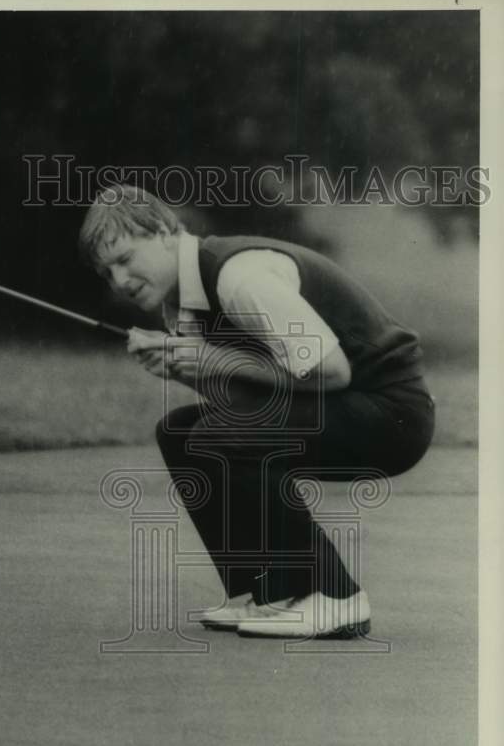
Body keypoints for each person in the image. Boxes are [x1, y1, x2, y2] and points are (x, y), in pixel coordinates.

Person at [78, 184, 435, 638]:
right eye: (106, 273)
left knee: (221, 436)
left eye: (125, 260)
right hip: (345, 406)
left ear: (165, 231)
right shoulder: (184, 301)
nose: (120, 282)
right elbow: (245, 401)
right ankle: (266, 593)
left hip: (393, 414)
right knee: (182, 431)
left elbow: (331, 371)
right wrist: (183, 371)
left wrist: (211, 359)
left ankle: (335, 596)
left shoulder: (238, 277)